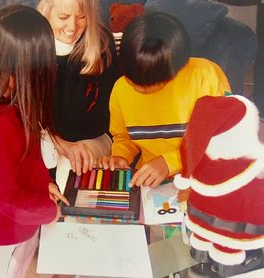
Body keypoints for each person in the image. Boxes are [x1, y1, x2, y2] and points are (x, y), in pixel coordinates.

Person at [0, 5, 68, 278]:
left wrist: (44, 185)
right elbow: (4, 196)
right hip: (4, 232)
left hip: (24, 223)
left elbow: (25, 162)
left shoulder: (20, 105)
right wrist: (47, 211)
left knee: (20, 267)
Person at [98, 12, 231, 188]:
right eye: (133, 78)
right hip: (152, 182)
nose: (140, 87)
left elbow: (224, 138)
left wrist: (169, 163)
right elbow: (123, 136)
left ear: (176, 66)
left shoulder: (206, 76)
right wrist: (121, 156)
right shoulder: (121, 89)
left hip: (204, 177)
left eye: (153, 81)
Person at [37, 0, 120, 176]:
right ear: (46, 12)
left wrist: (74, 147)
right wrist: (61, 144)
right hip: (47, 138)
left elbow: (113, 108)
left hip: (95, 136)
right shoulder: (30, 44)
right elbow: (27, 114)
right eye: (63, 17)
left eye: (82, 17)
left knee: (70, 169)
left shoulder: (101, 41)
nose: (72, 26)